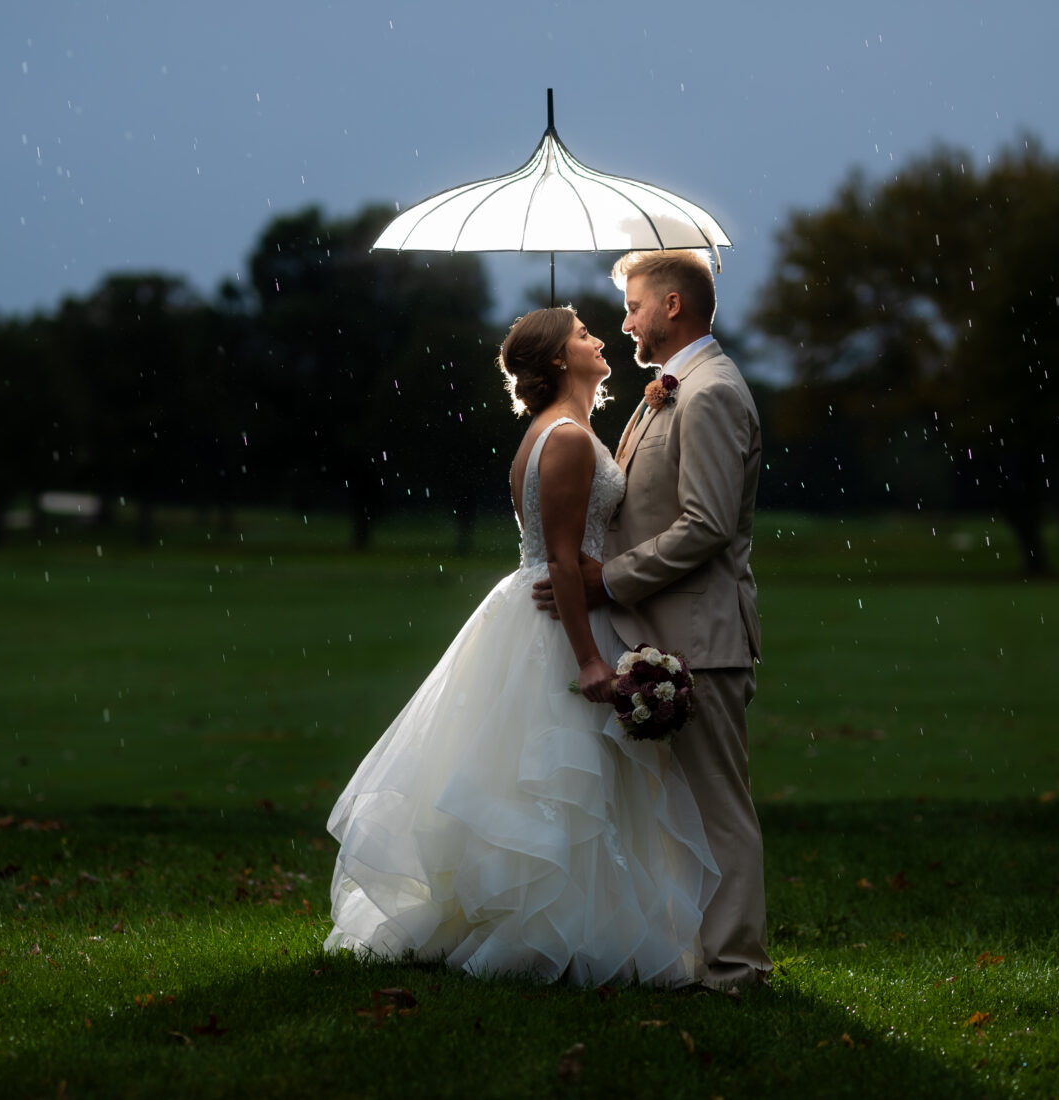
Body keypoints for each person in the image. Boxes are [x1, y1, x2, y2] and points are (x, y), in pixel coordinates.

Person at [323, 307, 720, 988]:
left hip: (543, 606)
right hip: (558, 618)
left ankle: (565, 922)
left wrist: (651, 400)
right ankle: (544, 931)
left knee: (551, 774)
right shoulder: (562, 439)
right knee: (560, 775)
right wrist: (589, 660)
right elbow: (564, 561)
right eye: (583, 334)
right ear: (561, 360)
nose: (600, 339)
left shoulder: (564, 429)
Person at [533, 249, 771, 990]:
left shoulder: (710, 394)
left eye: (634, 306)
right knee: (671, 810)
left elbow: (704, 523)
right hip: (655, 634)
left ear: (672, 307)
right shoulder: (666, 391)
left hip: (699, 636)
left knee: (715, 808)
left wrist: (608, 581)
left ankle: (734, 970)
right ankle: (686, 950)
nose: (625, 321)